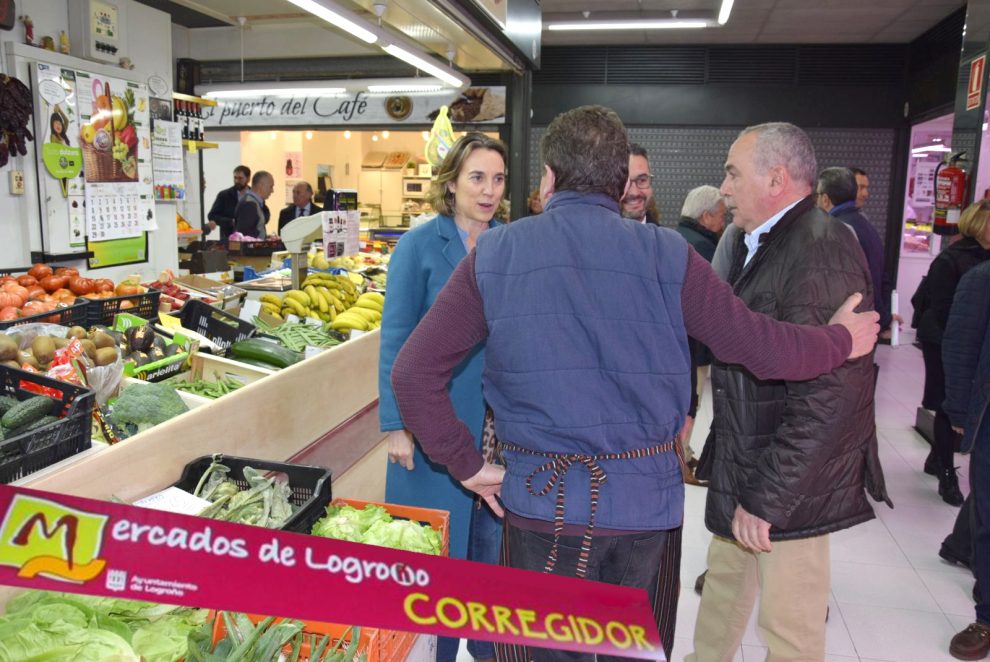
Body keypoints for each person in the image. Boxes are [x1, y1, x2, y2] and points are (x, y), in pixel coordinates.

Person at [390, 106, 881, 662]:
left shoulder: (496, 254)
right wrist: (839, 339)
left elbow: (411, 374)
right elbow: (761, 347)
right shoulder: (668, 253)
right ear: (621, 182)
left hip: (539, 507)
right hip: (643, 509)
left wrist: (467, 466)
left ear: (549, 178)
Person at [687, 122, 891, 662]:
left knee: (790, 626)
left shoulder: (819, 250)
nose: (724, 188)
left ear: (776, 178)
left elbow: (832, 396)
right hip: (749, 460)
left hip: (788, 484)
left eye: (733, 173)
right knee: (726, 591)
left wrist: (768, 498)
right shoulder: (760, 242)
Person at [378, 132, 508, 662]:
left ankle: (483, 647)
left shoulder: (509, 243)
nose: (488, 190)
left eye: (498, 179)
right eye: (477, 177)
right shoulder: (418, 246)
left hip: (498, 424)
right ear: (451, 183)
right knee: (435, 551)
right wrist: (395, 423)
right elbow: (396, 335)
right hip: (435, 420)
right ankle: (435, 651)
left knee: (489, 546)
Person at [916, 201, 990, 504]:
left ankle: (937, 456)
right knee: (949, 405)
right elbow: (945, 309)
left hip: (969, 343)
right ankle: (947, 474)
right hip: (945, 342)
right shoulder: (953, 259)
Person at [944, 261, 990, 660]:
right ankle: (987, 617)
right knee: (988, 521)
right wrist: (959, 411)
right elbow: (959, 345)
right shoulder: (982, 278)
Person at [674, 185, 727, 484]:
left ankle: (684, 452)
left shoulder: (675, 239)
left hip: (678, 340)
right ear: (706, 216)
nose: (723, 222)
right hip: (694, 343)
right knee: (689, 399)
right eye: (721, 215)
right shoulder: (705, 249)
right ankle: (680, 458)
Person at [817, 167, 892, 333]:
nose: (865, 194)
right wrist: (884, 318)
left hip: (851, 325)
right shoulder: (864, 225)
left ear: (825, 199)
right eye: (862, 187)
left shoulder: (838, 229)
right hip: (865, 320)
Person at [621, 143, 660, 225]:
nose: (634, 193)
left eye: (642, 180)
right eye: (625, 182)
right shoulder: (593, 236)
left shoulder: (665, 237)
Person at [208, 165, 250, 238]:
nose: (237, 181)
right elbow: (212, 216)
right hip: (228, 239)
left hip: (250, 238)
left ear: (248, 179)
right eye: (235, 178)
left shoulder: (254, 195)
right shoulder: (224, 195)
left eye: (240, 178)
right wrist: (230, 222)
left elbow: (264, 214)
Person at [233, 171, 273, 239]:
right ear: (261, 185)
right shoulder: (249, 204)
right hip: (252, 249)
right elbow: (245, 236)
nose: (272, 190)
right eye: (271, 186)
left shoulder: (254, 202)